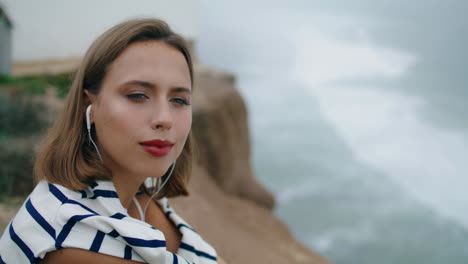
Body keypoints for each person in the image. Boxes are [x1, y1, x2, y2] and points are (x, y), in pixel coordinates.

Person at [0, 18, 227, 264]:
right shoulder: (70, 236)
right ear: (91, 105)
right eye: (138, 95)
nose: (164, 119)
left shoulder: (137, 197)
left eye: (179, 100)